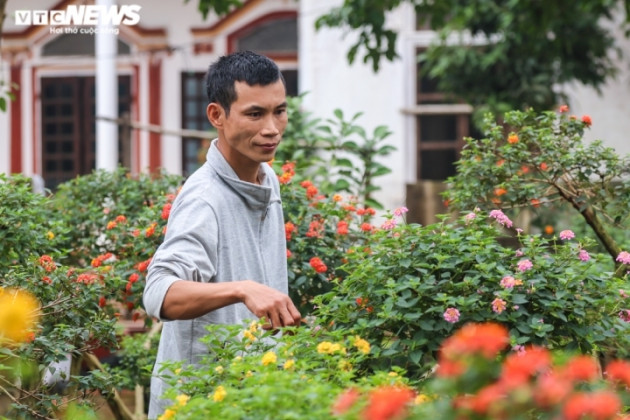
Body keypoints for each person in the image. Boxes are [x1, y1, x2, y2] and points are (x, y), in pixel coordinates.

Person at [142, 50, 301, 418]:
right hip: (200, 404)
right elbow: (159, 293)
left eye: (279, 110)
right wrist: (242, 288)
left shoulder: (266, 176)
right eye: (255, 114)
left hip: (255, 395)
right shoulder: (204, 198)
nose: (272, 128)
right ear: (217, 115)